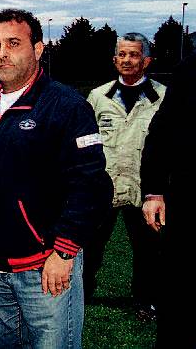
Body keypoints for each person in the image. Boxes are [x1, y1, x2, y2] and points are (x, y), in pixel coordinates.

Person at [0, 8, 113, 348]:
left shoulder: (66, 106)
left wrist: (64, 252)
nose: (1, 53)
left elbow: (90, 183)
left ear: (38, 49)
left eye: (13, 43)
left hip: (45, 269)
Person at [84, 32, 165, 320]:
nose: (127, 60)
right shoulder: (98, 97)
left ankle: (146, 302)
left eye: (133, 55)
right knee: (90, 246)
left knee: (149, 251)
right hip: (103, 187)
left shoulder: (164, 97)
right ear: (114, 59)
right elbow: (84, 142)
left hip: (144, 190)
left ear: (146, 61)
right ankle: (79, 297)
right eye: (122, 54)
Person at [141, 51, 196, 348]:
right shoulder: (191, 68)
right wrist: (153, 190)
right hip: (189, 202)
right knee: (180, 302)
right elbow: (162, 131)